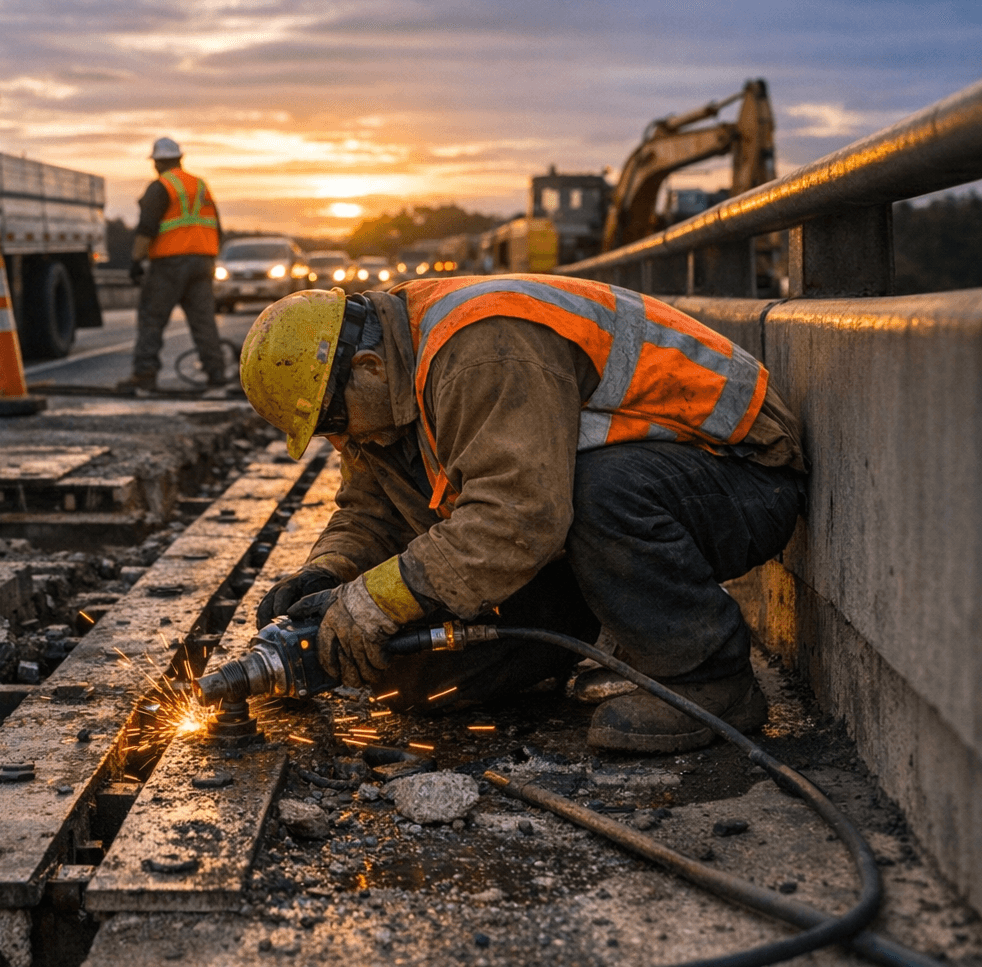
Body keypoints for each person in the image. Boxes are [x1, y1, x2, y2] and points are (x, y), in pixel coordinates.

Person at [241, 277, 806, 753]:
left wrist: (375, 599)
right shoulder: (382, 388)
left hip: (738, 477)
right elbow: (371, 512)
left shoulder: (481, 347)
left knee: (591, 490)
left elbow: (520, 517)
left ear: (367, 367)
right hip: (609, 514)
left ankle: (709, 678)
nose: (338, 441)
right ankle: (590, 639)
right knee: (413, 672)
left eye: (332, 422)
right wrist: (328, 573)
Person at [118, 137, 227, 393]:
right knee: (203, 321)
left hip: (170, 263)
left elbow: (147, 228)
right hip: (203, 261)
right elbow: (217, 227)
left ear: (158, 163)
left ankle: (145, 374)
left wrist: (136, 260)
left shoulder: (161, 187)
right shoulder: (200, 185)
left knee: (152, 318)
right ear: (179, 158)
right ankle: (217, 373)